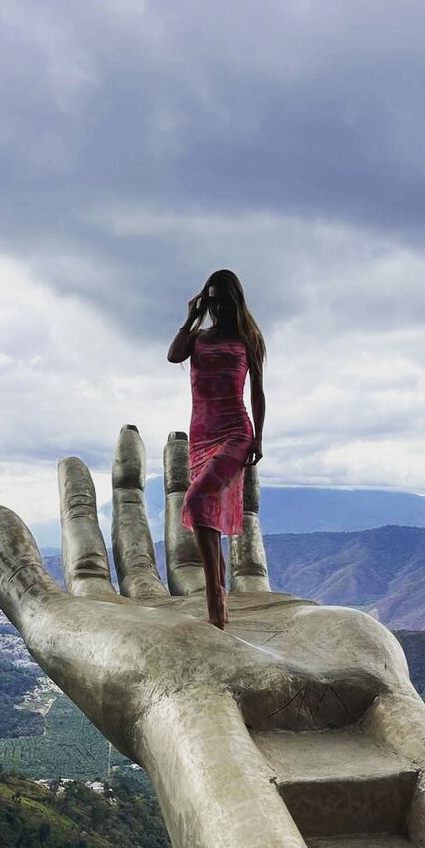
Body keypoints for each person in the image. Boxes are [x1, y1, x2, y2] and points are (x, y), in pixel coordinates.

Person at [167, 268, 266, 629]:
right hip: (201, 435)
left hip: (236, 432)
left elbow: (257, 392)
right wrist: (191, 317)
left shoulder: (248, 338)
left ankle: (214, 597)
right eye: (212, 301)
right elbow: (173, 356)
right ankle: (218, 591)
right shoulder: (197, 338)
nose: (218, 308)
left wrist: (258, 437)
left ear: (235, 301)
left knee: (195, 501)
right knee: (205, 513)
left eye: (223, 301)